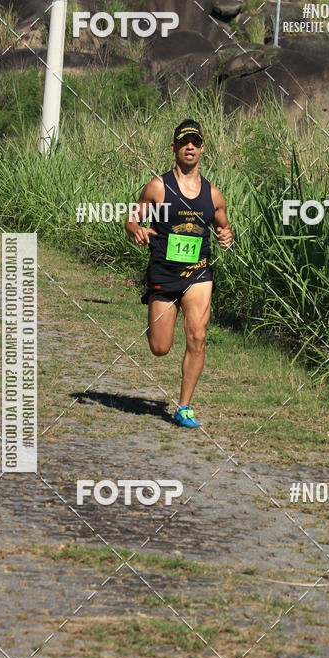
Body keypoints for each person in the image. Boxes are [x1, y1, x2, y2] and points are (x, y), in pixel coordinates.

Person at [125, 119, 233, 428]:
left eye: (195, 142)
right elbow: (132, 219)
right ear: (174, 148)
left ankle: (184, 406)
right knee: (160, 347)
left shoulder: (213, 194)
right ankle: (157, 318)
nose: (190, 147)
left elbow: (223, 228)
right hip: (164, 272)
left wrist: (227, 237)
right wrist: (137, 229)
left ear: (201, 149)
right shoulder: (158, 187)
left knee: (198, 336)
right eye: (184, 142)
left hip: (199, 273)